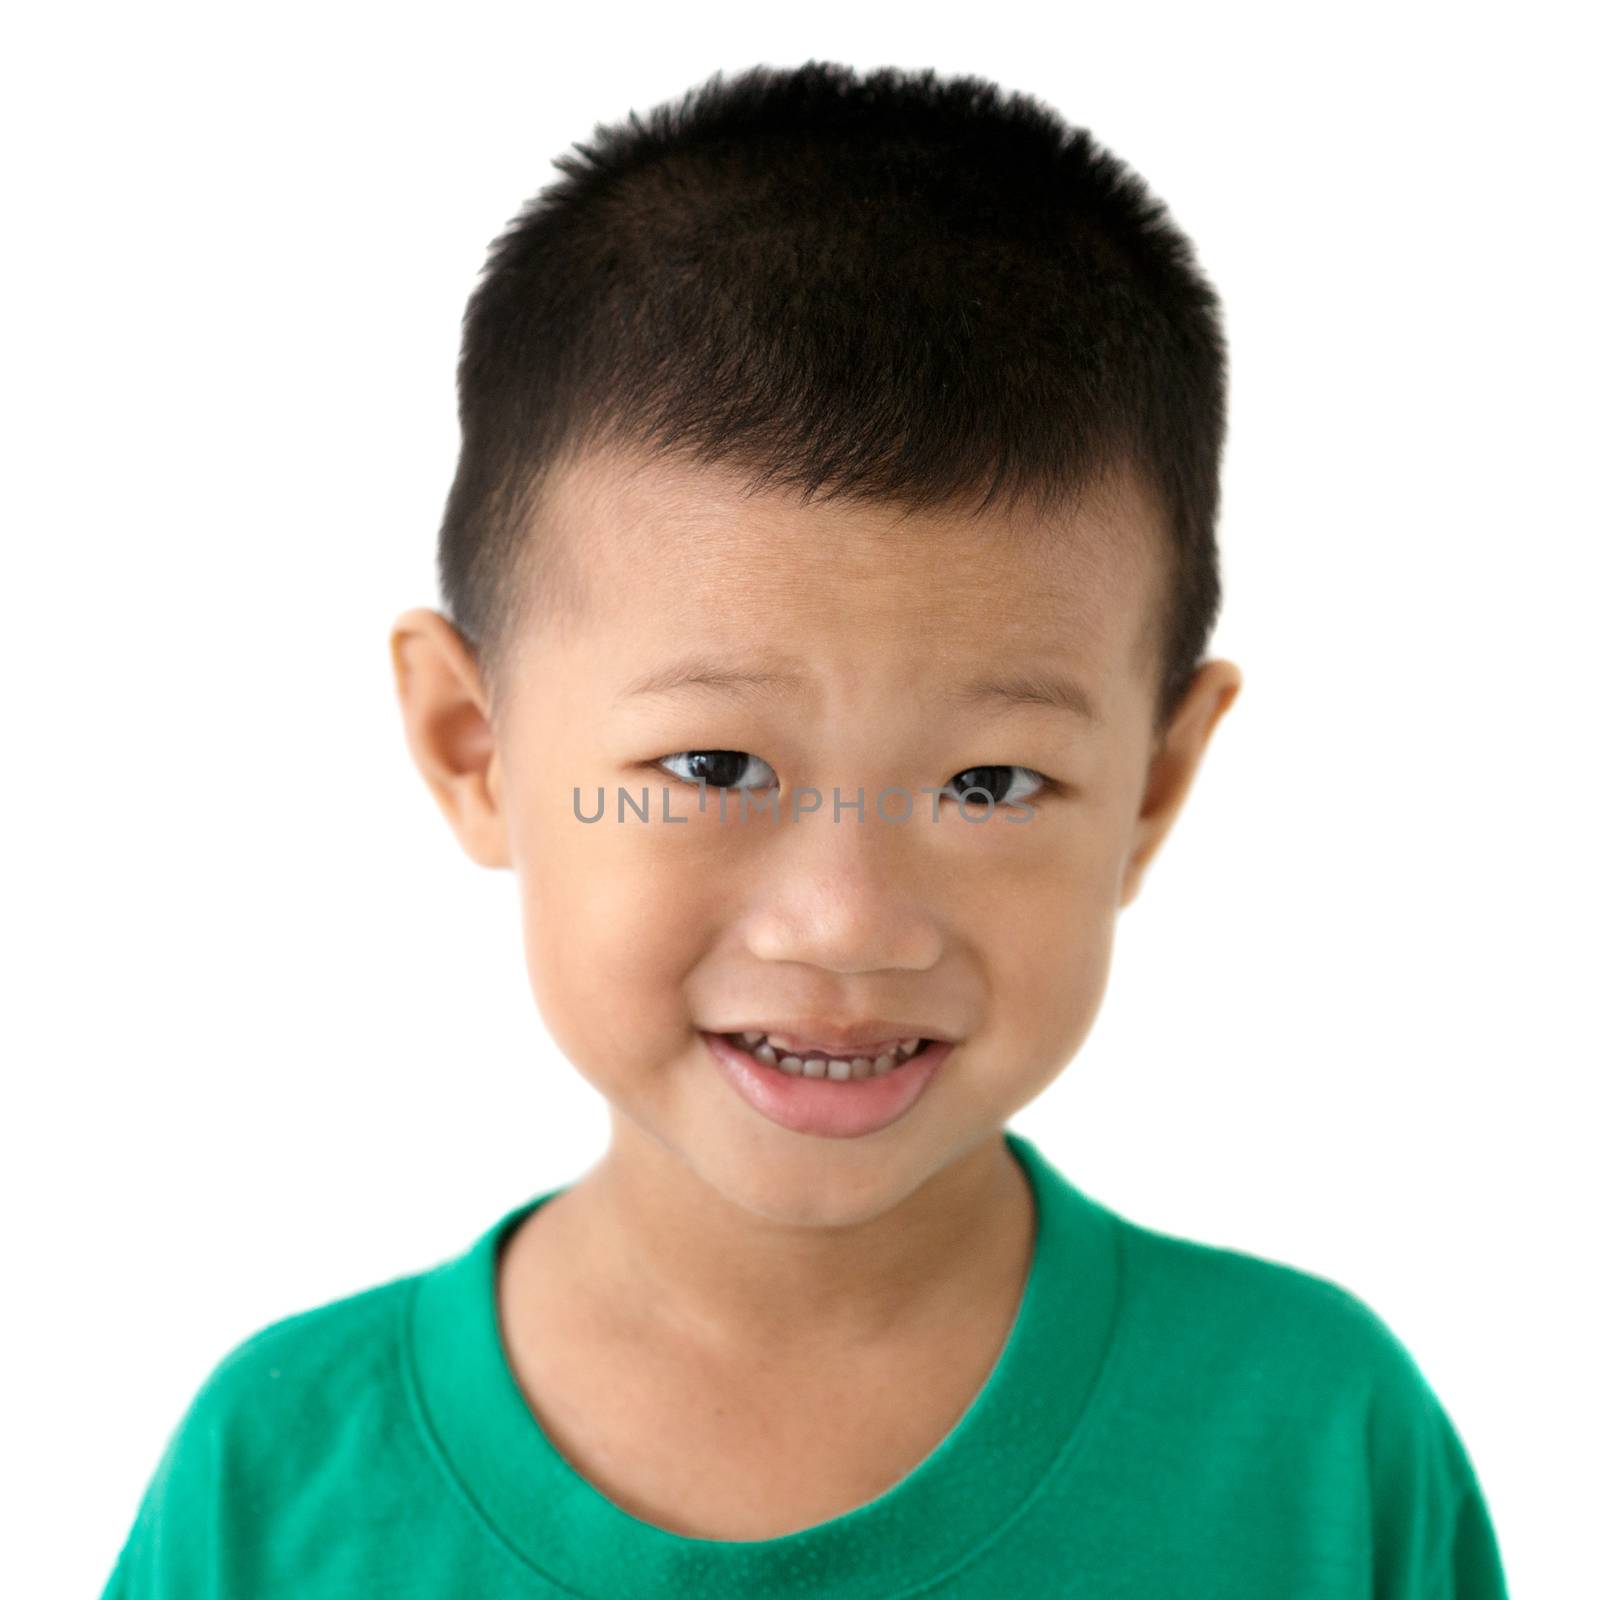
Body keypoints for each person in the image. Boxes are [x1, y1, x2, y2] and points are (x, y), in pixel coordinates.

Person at [102, 60, 1509, 1597]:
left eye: (988, 784)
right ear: (474, 747)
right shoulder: (280, 1478)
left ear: (1153, 792)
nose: (846, 919)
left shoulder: (1314, 1443)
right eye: (712, 764)